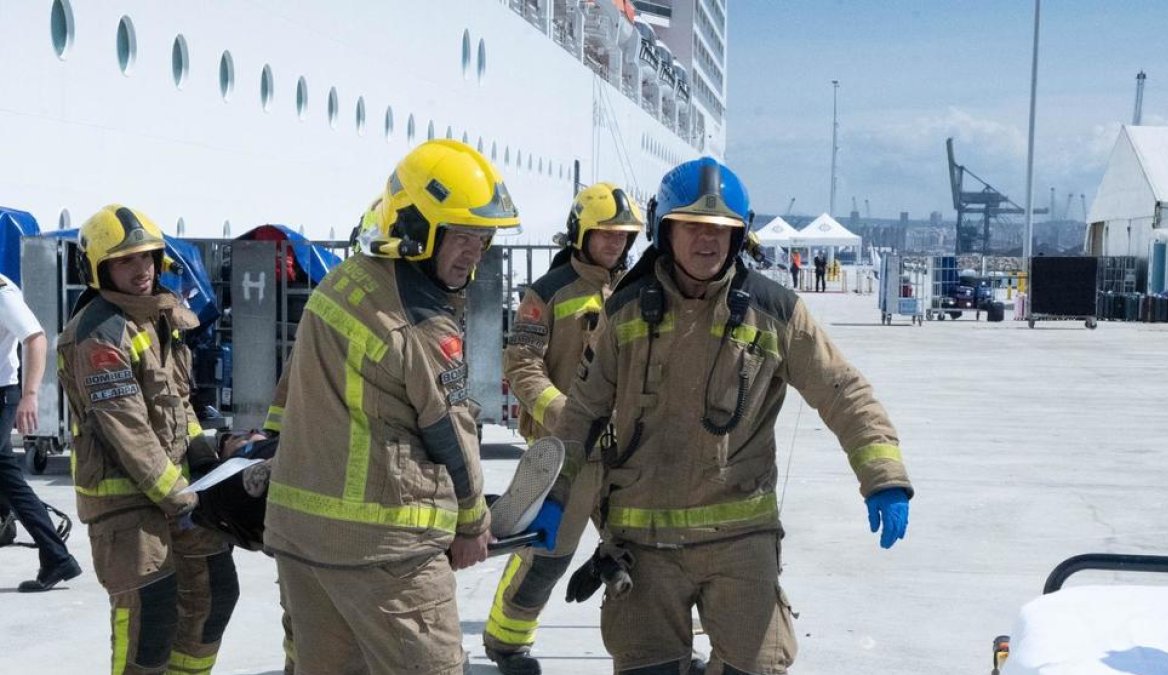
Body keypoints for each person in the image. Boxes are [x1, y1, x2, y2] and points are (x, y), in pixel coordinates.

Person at [550, 157, 914, 674]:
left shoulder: (777, 312)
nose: (708, 241)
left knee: (757, 666)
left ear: (740, 237)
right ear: (665, 231)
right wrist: (552, 495)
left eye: (722, 230)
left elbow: (843, 391)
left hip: (740, 543)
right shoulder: (624, 312)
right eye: (694, 227)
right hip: (642, 547)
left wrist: (883, 475)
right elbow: (582, 413)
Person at [263, 139, 534, 674]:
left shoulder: (342, 282)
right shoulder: (422, 321)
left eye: (483, 240)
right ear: (414, 228)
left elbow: (289, 393)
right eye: (461, 236)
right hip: (389, 552)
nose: (473, 255)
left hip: (302, 542)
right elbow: (450, 430)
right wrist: (474, 521)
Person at [58, 204, 240, 674]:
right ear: (98, 269)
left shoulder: (158, 316)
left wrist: (206, 455)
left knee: (216, 593)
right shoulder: (99, 333)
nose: (141, 271)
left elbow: (178, 402)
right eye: (124, 261)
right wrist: (179, 496)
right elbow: (127, 429)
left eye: (147, 258)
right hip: (127, 503)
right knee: (149, 624)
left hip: (178, 492)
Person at [483, 182, 643, 675]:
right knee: (547, 555)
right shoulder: (548, 293)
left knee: (643, 556)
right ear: (581, 233)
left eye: (623, 236)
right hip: (567, 452)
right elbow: (523, 364)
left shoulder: (637, 292)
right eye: (605, 234)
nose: (615, 244)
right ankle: (507, 645)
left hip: (625, 451)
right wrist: (563, 415)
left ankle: (653, 650)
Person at [0, 272, 82, 591]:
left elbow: (35, 337)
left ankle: (53, 554)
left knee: (8, 477)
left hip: (3, 394)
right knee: (7, 476)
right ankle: (55, 556)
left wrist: (30, 394)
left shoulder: (3, 292)